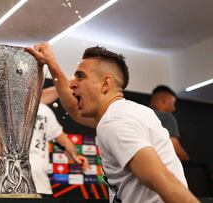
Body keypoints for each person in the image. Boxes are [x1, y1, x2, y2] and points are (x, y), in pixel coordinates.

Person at [26, 43, 198, 203]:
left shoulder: (113, 123)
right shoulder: (134, 111)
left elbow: (164, 181)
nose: (72, 83)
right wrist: (52, 64)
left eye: (81, 76)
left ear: (105, 83)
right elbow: (75, 109)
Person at [150, 85, 190, 161]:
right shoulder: (166, 117)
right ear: (164, 100)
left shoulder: (139, 115)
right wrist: (192, 166)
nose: (174, 108)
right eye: (173, 103)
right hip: (162, 167)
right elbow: (175, 148)